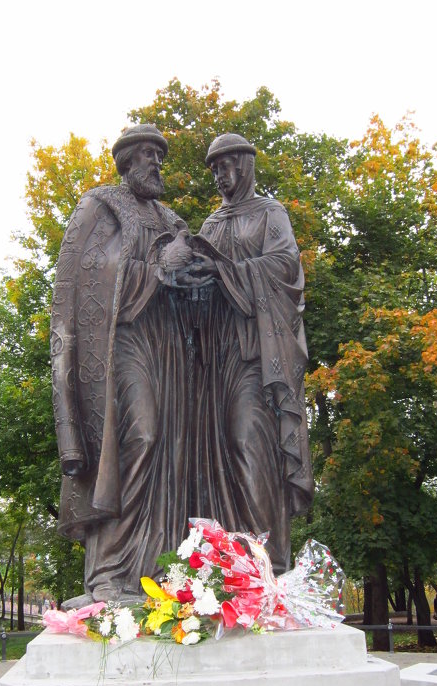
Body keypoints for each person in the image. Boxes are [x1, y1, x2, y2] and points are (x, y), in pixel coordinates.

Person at [51, 124, 195, 606]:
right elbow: (86, 280)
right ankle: (110, 573)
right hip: (122, 343)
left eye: (160, 155)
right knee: (139, 437)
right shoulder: (101, 206)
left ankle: (159, 571)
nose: (157, 163)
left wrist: (194, 272)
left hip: (169, 347)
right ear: (127, 161)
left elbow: (190, 287)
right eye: (149, 155)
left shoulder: (172, 219)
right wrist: (160, 270)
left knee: (171, 454)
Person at [185, 133, 314, 573]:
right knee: (212, 456)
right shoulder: (211, 224)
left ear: (246, 165)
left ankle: (267, 562)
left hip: (253, 354)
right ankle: (227, 565)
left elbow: (284, 267)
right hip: (214, 356)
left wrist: (225, 271)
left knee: (248, 443)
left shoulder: (269, 214)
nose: (220, 176)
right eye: (214, 170)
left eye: (226, 166)